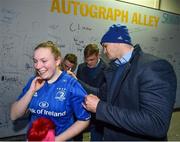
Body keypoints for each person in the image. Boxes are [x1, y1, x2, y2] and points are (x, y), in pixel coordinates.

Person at [83, 24, 177, 141]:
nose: (104, 51)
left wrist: (100, 108)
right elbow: (102, 94)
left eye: (105, 46)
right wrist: (75, 81)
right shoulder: (115, 68)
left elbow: (156, 123)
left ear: (117, 42)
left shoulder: (153, 67)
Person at [10, 41, 90, 141]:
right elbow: (14, 115)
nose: (38, 66)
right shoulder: (34, 82)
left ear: (57, 61)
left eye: (43, 61)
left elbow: (84, 120)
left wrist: (55, 140)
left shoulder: (71, 85)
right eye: (35, 61)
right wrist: (31, 91)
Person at [74, 43, 108, 141]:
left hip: (97, 113)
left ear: (98, 55)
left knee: (95, 138)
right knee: (77, 137)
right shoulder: (81, 67)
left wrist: (77, 81)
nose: (88, 62)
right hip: (81, 110)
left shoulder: (107, 70)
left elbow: (101, 93)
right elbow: (78, 90)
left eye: (91, 59)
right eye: (86, 59)